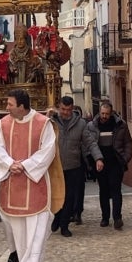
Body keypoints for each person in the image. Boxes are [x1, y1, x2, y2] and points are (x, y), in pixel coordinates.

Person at [0, 89, 61, 262]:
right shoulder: (3, 124)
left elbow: (48, 150)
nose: (7, 108)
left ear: (22, 107)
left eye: (10, 104)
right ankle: (16, 251)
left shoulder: (43, 123)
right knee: (12, 224)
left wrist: (24, 165)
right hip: (11, 181)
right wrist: (9, 164)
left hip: (35, 181)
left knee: (35, 227)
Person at [47, 97, 103, 237]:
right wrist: (46, 118)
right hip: (55, 166)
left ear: (72, 109)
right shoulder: (50, 122)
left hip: (73, 166)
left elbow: (90, 143)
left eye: (68, 110)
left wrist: (98, 158)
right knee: (56, 195)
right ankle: (57, 219)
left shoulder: (81, 124)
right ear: (59, 108)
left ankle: (64, 225)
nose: (65, 112)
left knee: (69, 197)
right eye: (63, 109)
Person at [86, 102, 132, 229]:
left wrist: (125, 158)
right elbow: (89, 144)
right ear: (99, 112)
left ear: (111, 113)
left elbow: (128, 142)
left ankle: (117, 218)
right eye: (102, 113)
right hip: (100, 163)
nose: (104, 116)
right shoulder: (92, 126)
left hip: (116, 162)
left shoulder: (120, 125)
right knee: (104, 190)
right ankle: (105, 217)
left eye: (107, 114)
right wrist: (94, 160)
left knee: (116, 190)